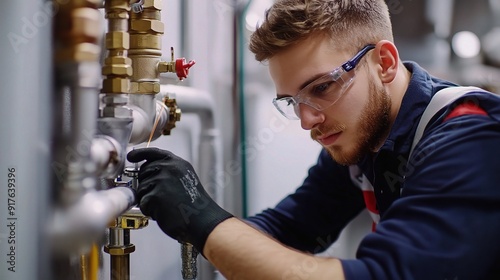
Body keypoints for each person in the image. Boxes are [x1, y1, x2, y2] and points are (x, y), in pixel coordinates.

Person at [127, 0, 500, 279]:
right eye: (292, 101)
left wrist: (204, 219)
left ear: (384, 63)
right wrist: (192, 212)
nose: (307, 121)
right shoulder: (361, 141)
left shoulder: (468, 139)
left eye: (322, 87)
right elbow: (291, 230)